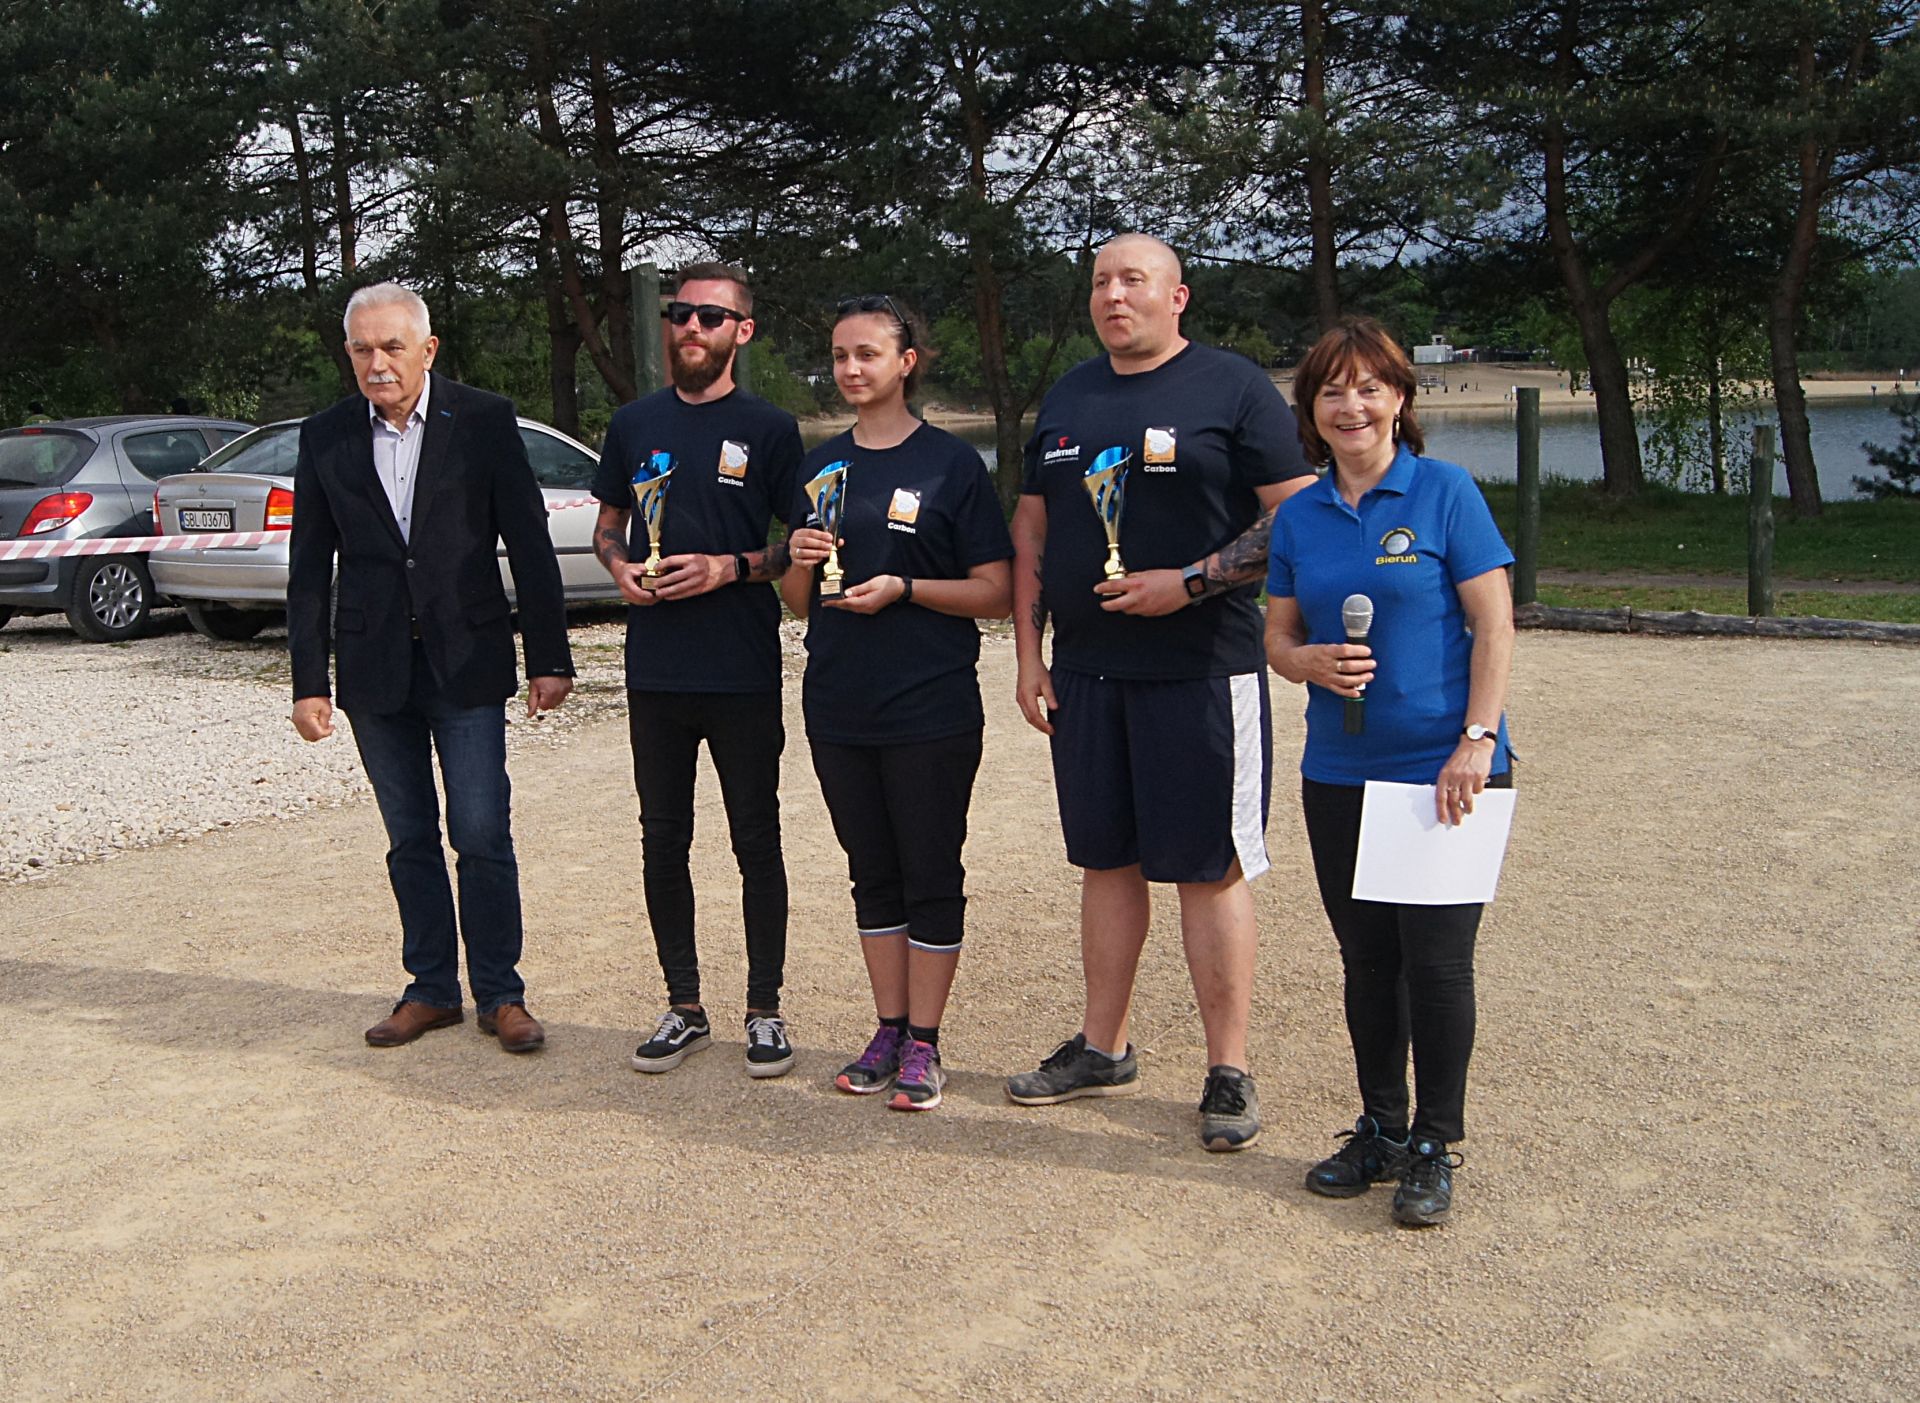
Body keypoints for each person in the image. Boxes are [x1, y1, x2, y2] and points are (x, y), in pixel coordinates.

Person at [1004, 234, 1316, 1151]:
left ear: (1178, 296)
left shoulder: (1232, 388)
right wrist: (1029, 655)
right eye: (1101, 282)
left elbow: (1295, 510)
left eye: (1133, 280)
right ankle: (1103, 1047)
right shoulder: (1068, 395)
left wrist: (1191, 579)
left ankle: (1229, 1067)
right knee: (1105, 861)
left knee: (1209, 866)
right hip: (1089, 674)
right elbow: (1031, 529)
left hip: (1201, 668)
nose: (1113, 296)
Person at [1264, 317, 1516, 1227]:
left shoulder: (1444, 493)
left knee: (1437, 966)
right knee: (1368, 961)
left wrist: (1476, 740)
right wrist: (1304, 665)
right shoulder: (1299, 513)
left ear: (1400, 399)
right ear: (1313, 409)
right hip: (1339, 769)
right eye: (1333, 389)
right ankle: (1379, 1126)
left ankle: (1434, 1146)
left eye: (1369, 386)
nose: (1352, 404)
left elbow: (1495, 625)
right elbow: (1277, 635)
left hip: (1442, 767)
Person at [288, 282, 574, 1053]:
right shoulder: (325, 437)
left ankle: (501, 993)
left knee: (480, 830)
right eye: (362, 349)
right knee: (408, 835)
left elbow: (530, 542)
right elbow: (309, 567)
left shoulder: (482, 421)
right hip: (375, 668)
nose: (377, 363)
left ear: (427, 349)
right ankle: (431, 988)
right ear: (347, 355)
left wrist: (550, 656)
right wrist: (309, 681)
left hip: (468, 660)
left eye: (391, 347)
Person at [782, 295, 1012, 1111]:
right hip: (840, 703)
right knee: (870, 873)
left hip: (930, 706)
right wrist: (800, 558)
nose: (850, 370)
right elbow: (801, 603)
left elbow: (997, 589)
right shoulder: (817, 467)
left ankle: (926, 1041)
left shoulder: (951, 465)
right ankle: (886, 1026)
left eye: (868, 355)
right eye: (840, 356)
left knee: (929, 871)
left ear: (906, 361)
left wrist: (907, 588)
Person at [591, 263, 804, 1079]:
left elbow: (804, 541)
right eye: (681, 314)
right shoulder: (634, 423)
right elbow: (608, 526)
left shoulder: (773, 429)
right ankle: (683, 1005)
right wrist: (617, 568)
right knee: (661, 839)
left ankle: (765, 1010)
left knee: (756, 838)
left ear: (741, 333)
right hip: (658, 671)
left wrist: (732, 567)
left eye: (711, 318)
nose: (691, 329)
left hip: (742, 666)